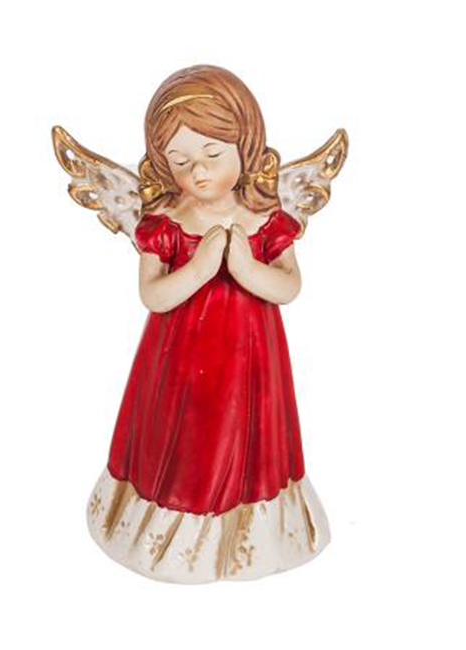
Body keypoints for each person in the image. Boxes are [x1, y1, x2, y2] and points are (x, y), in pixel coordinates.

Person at [86, 65, 330, 583]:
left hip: (249, 363)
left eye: (212, 155)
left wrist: (245, 268)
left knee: (245, 439)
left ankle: (248, 536)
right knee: (185, 442)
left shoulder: (266, 220)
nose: (197, 173)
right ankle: (173, 534)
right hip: (180, 365)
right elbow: (152, 295)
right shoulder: (166, 225)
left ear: (246, 146)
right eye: (180, 162)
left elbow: (289, 286)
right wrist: (199, 269)